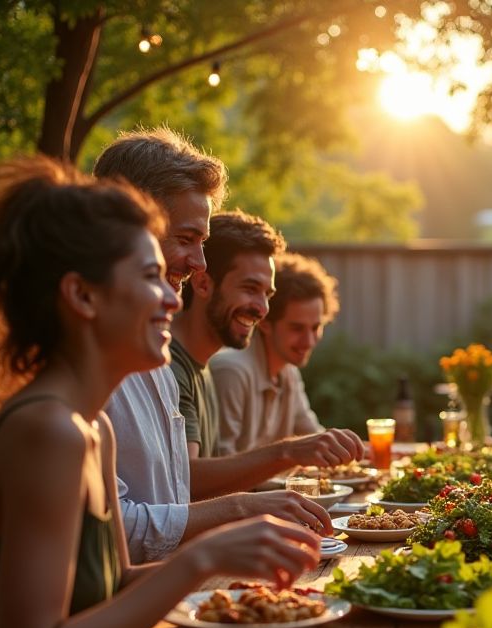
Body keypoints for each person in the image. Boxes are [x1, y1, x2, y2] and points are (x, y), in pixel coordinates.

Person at [0, 157, 321, 628]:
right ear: (81, 295)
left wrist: (227, 568)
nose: (173, 297)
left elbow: (114, 584)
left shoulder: (92, 427)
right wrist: (202, 556)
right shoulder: (47, 432)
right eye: (151, 276)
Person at [94, 129, 335, 562]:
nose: (197, 267)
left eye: (201, 244)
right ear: (125, 227)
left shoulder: (158, 364)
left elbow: (170, 505)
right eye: (186, 240)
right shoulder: (79, 383)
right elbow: (116, 547)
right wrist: (243, 509)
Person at [172, 211, 363, 499]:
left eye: (267, 295)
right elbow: (186, 485)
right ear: (202, 284)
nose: (262, 310)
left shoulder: (204, 367)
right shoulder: (181, 367)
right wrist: (288, 452)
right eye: (250, 289)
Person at [210, 252, 336, 455]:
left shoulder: (288, 371)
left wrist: (365, 452)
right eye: (297, 328)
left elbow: (313, 437)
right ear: (265, 323)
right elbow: (221, 463)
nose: (309, 341)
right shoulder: (231, 371)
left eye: (315, 327)